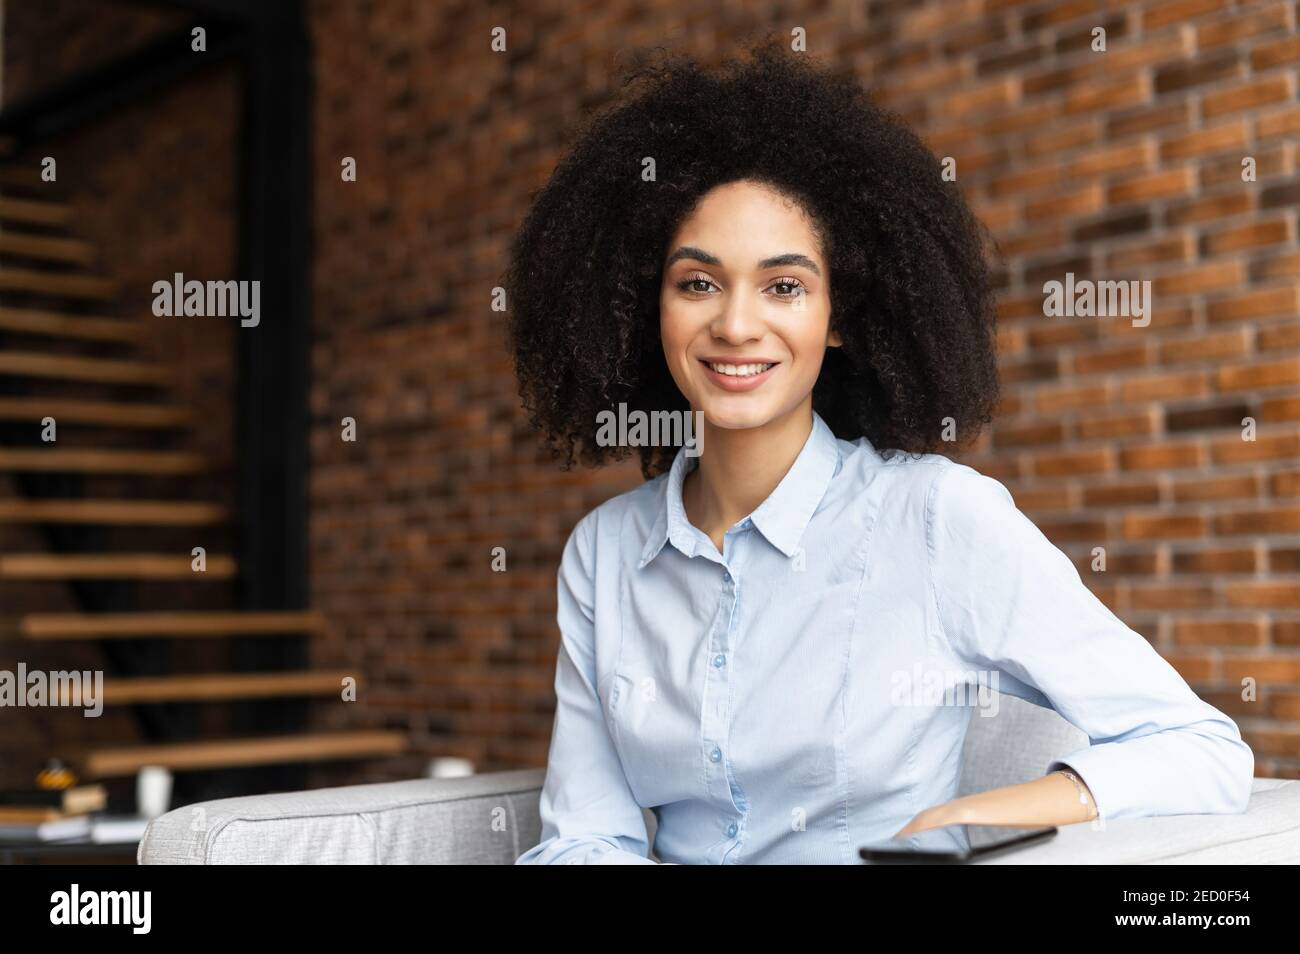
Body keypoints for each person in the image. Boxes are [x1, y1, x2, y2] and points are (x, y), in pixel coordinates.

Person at [506, 39, 1254, 864]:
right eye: (697, 282)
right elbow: (585, 838)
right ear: (647, 308)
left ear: (839, 320)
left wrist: (984, 816)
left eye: (784, 285)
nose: (736, 324)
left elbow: (1200, 747)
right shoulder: (604, 556)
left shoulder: (934, 519)